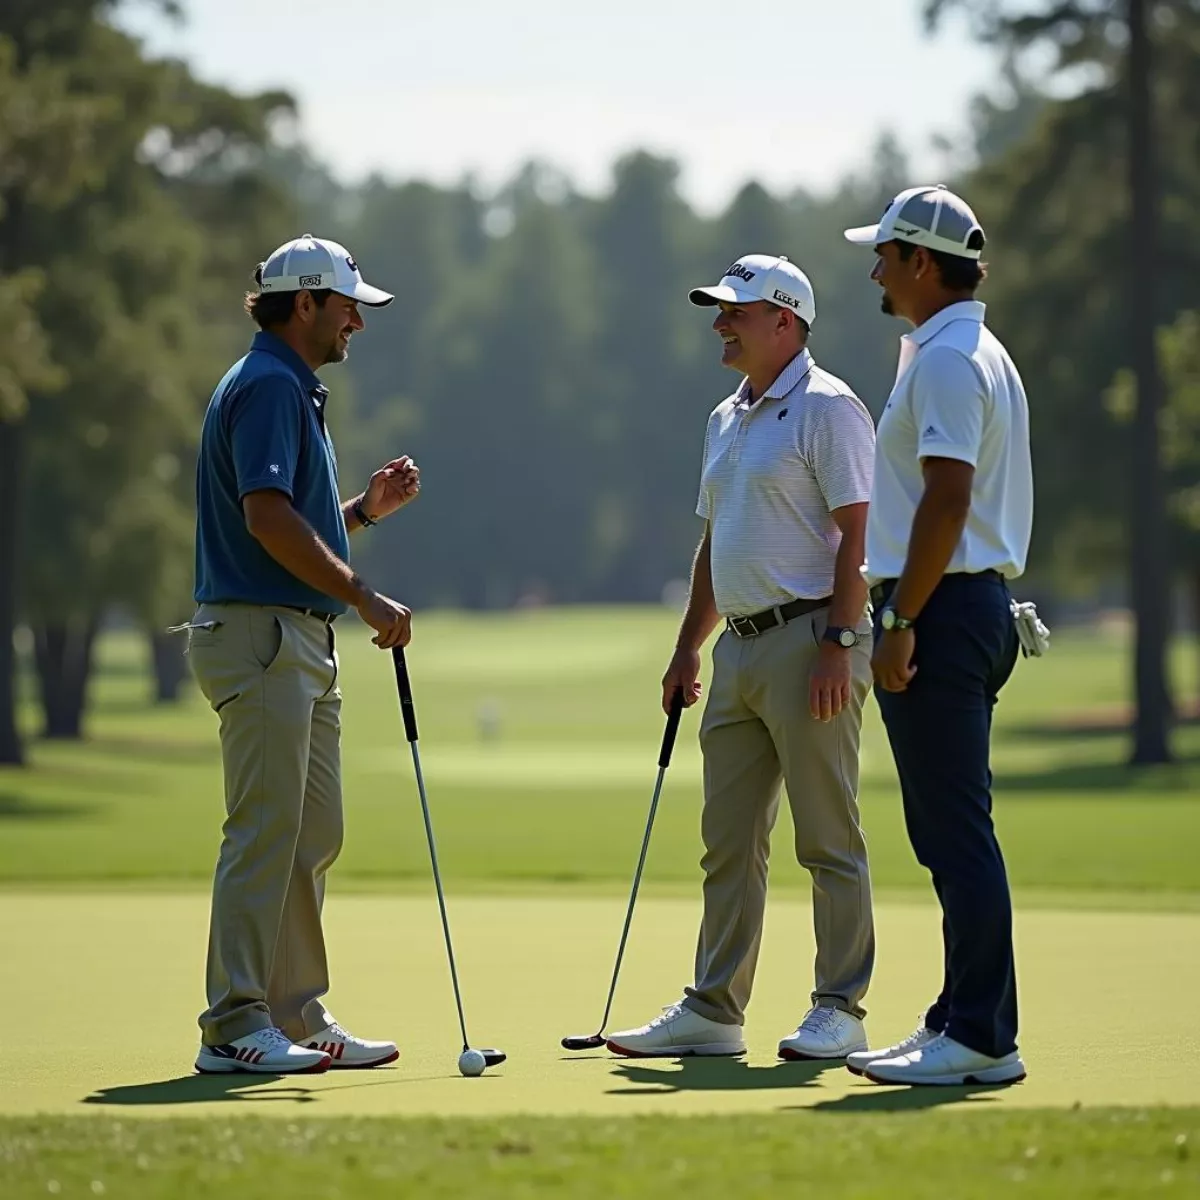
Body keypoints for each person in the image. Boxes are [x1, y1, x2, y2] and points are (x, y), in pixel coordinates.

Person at [606, 255, 877, 1061]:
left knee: (827, 837)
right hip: (739, 649)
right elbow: (715, 539)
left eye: (737, 311)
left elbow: (858, 537)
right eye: (721, 311)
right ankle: (715, 1009)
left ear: (785, 322)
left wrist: (838, 640)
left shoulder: (829, 408)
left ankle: (841, 1006)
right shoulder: (726, 416)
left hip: (812, 639)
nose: (721, 322)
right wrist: (689, 644)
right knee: (728, 842)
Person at [184, 234, 420, 1075]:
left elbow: (293, 525)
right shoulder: (269, 386)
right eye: (349, 305)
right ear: (307, 303)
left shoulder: (291, 388)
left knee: (312, 831)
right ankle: (234, 1023)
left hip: (296, 636)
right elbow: (265, 519)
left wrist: (362, 511)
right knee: (265, 831)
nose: (358, 320)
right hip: (261, 637)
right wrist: (362, 594)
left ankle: (295, 1013)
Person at [840, 186, 1033, 1086]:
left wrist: (900, 620)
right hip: (960, 607)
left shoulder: (951, 362)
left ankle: (985, 1038)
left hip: (941, 611)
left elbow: (948, 501)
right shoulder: (961, 350)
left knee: (955, 833)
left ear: (922, 261)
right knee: (946, 830)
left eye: (885, 253)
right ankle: (959, 1015)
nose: (875, 268)